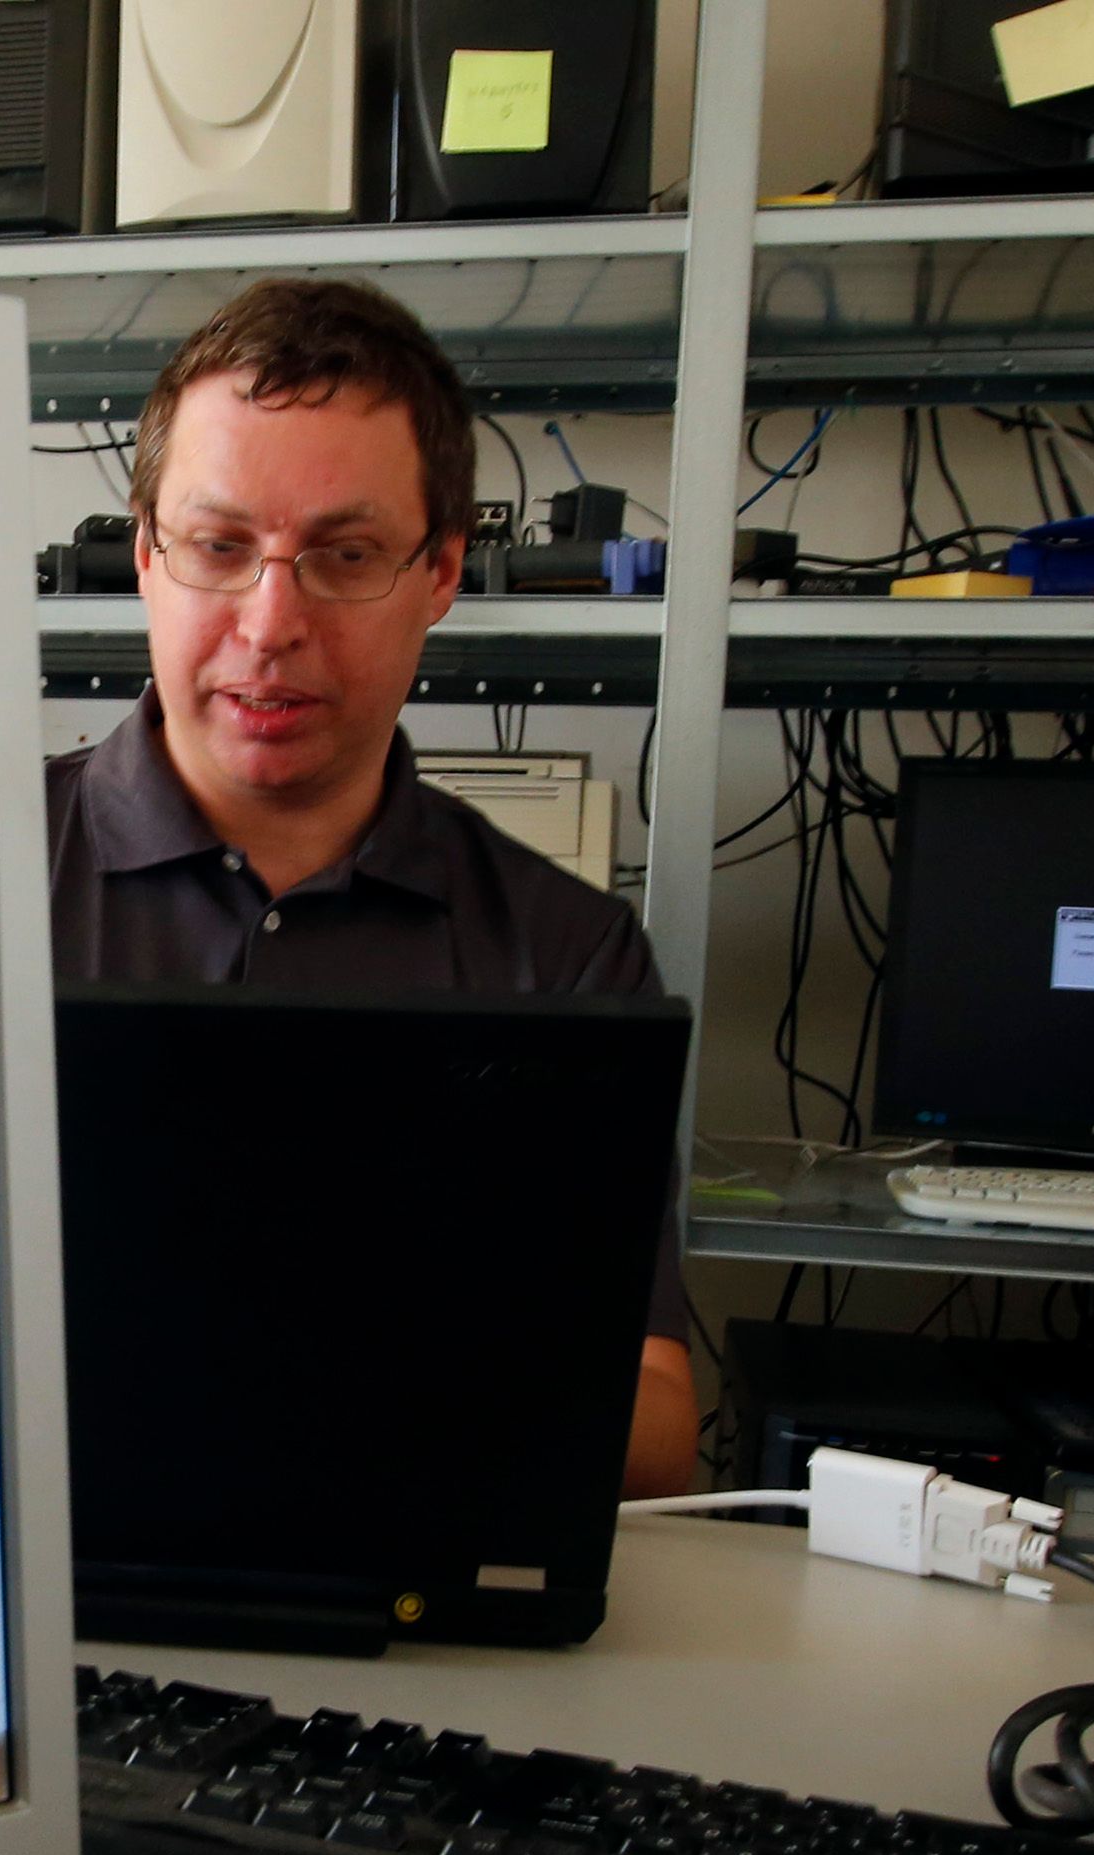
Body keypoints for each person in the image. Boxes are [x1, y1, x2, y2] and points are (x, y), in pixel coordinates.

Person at [45, 275, 699, 1499]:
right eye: (218, 548)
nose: (269, 621)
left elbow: (658, 1427)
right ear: (144, 557)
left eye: (343, 556)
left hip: (413, 1628)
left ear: (439, 573)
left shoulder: (563, 956)